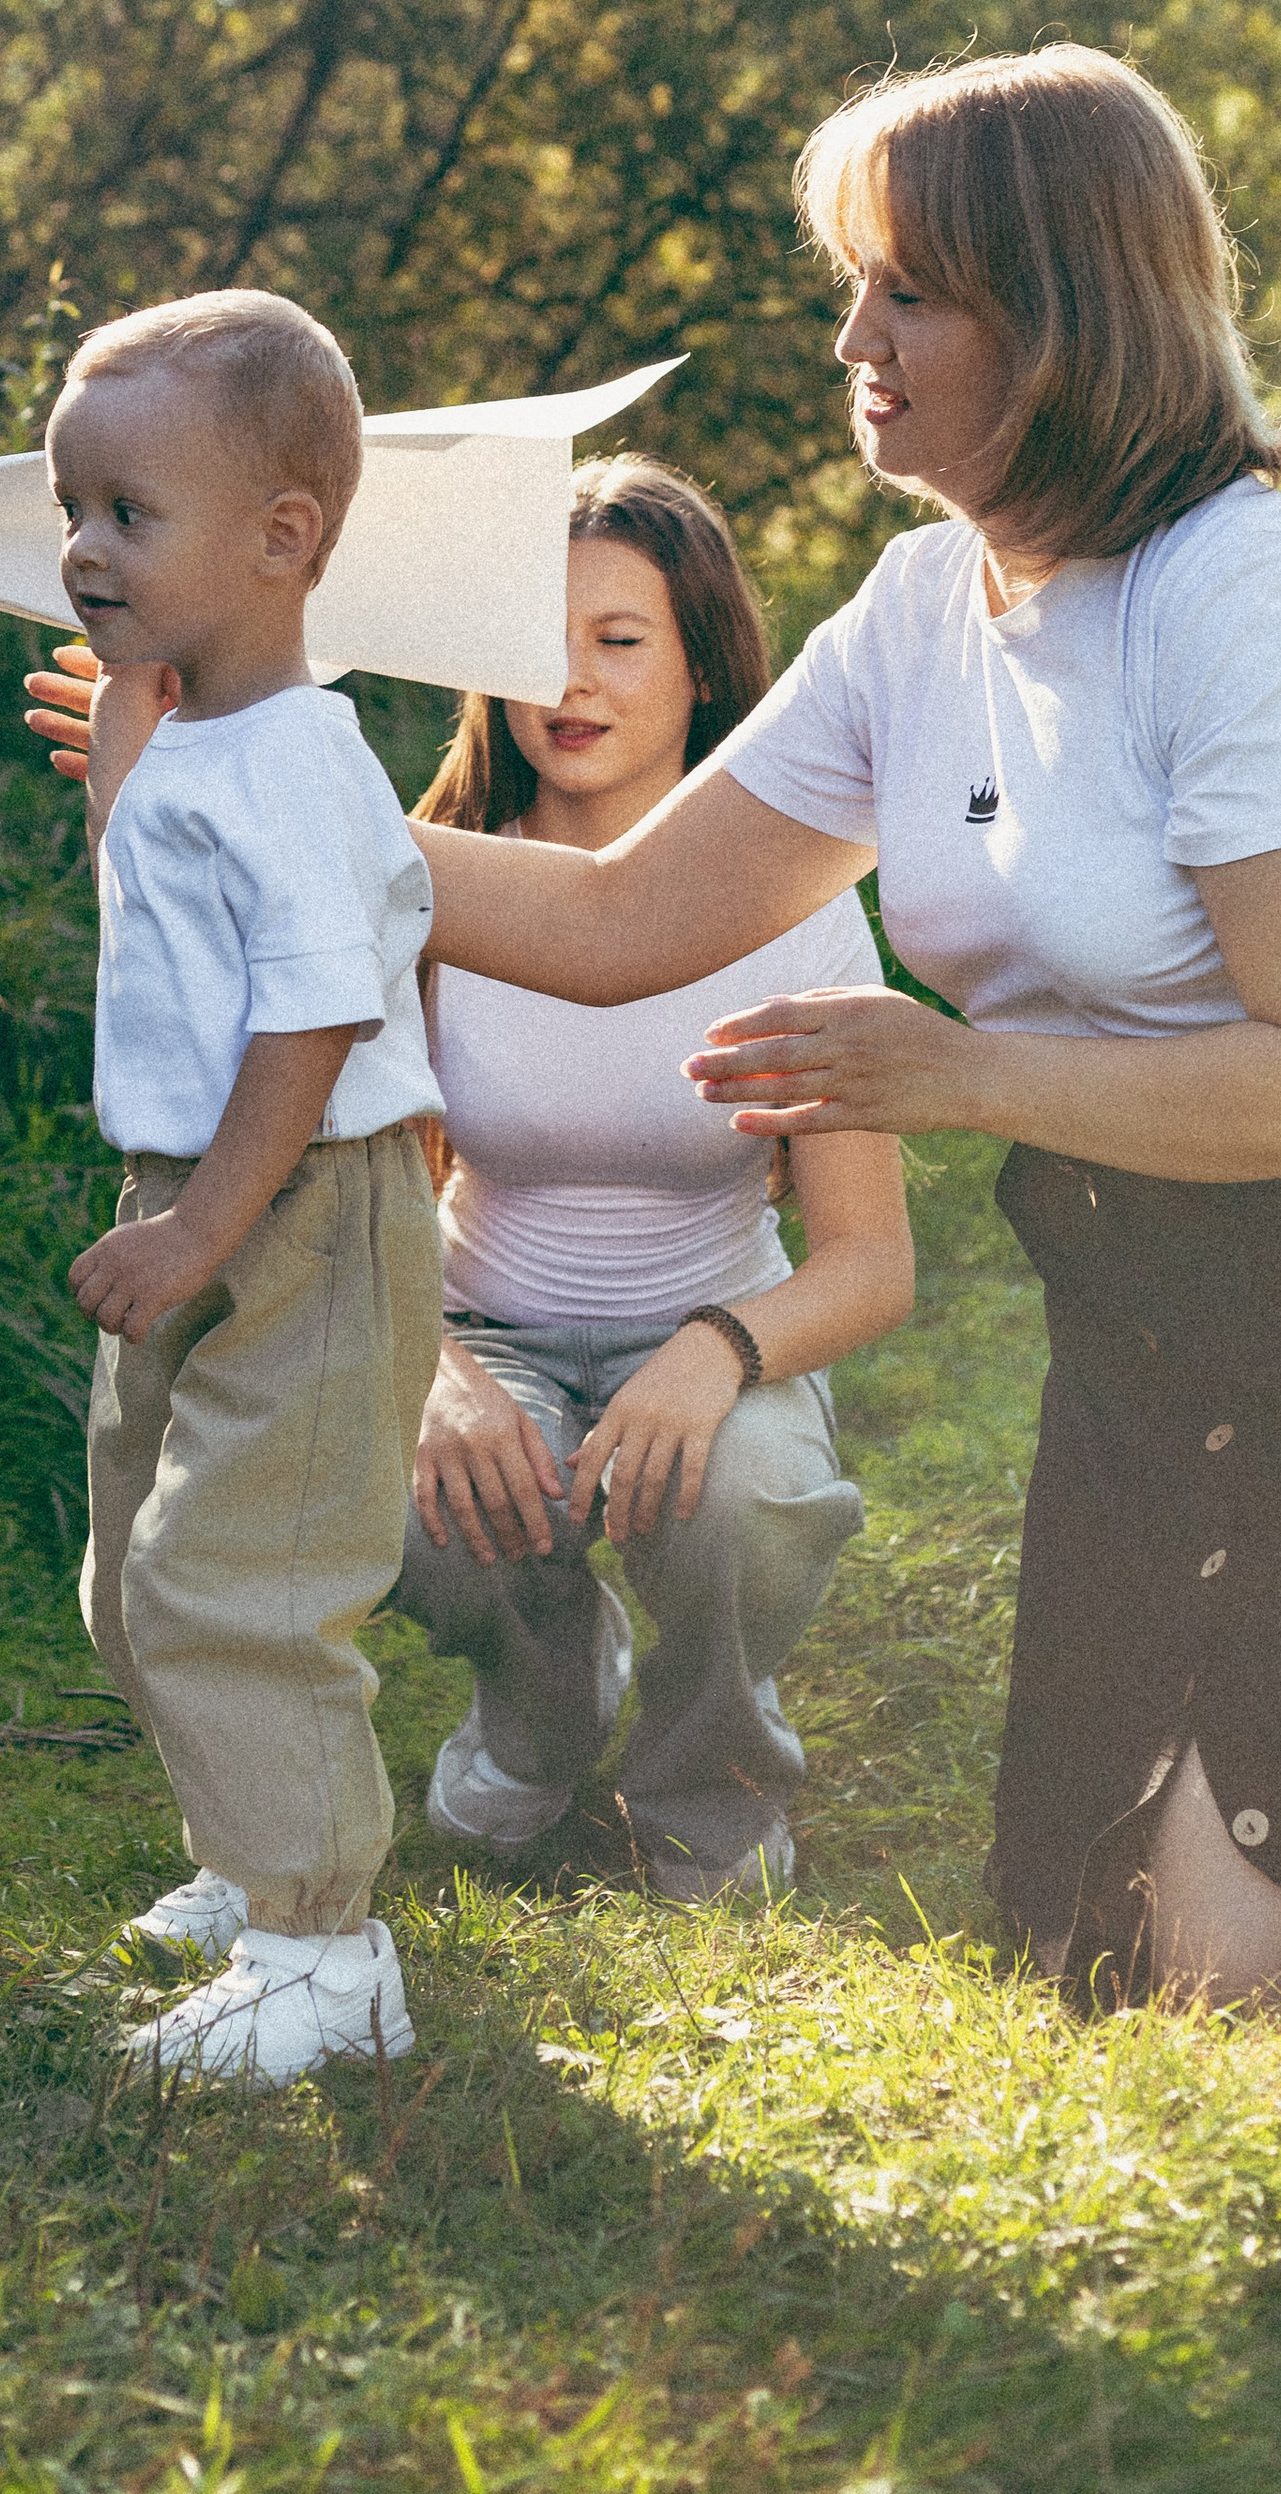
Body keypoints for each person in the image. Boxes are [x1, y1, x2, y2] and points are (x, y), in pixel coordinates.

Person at [408, 48, 1281, 2004]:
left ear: (1060, 315)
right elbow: (619, 918)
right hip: (1161, 1326)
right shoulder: (917, 609)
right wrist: (257, 800)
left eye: (905, 291)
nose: (849, 334)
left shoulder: (1243, 593)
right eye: (849, 283)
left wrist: (955, 1076)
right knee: (1086, 1942)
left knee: (1237, 1977)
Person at [397, 459, 913, 1902]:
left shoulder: (798, 909)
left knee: (736, 1492)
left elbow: (871, 1264)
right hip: (486, 1331)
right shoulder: (437, 888)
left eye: (619, 640)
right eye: (535, 644)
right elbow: (355, 1198)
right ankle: (542, 1701)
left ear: (703, 669)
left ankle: (714, 1774)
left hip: (715, 1332)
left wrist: (716, 1351)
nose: (570, 681)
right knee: (390, 1483)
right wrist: (431, 1369)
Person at [37, 287, 445, 2087]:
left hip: (306, 1200)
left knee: (243, 1573)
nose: (80, 549)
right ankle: (240, 1847)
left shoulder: (297, 755)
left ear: (286, 541)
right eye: (77, 510)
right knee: (135, 1565)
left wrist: (206, 1223)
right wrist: (123, 759)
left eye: (131, 515)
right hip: (195, 1184)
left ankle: (324, 1948)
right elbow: (188, 945)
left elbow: (314, 1013)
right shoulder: (202, 734)